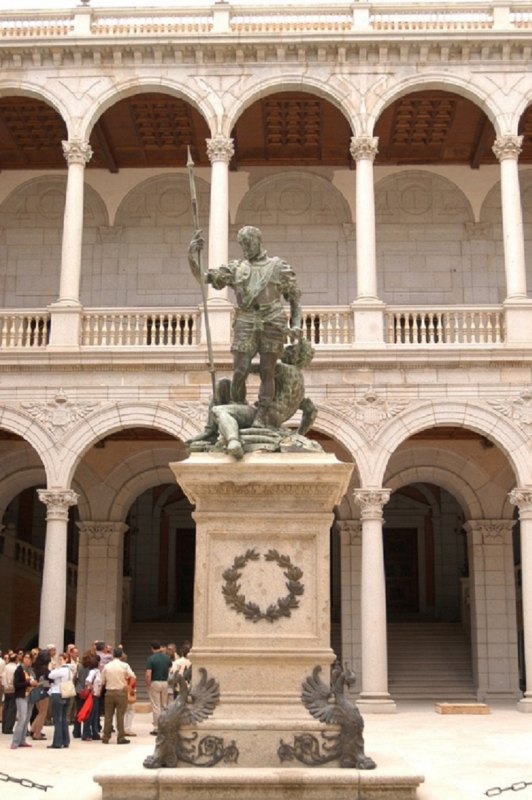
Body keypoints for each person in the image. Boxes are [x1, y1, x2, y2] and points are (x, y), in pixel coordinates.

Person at [188, 226, 303, 419]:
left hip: (272, 321)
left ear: (258, 241)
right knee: (240, 369)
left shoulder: (278, 267)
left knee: (268, 371)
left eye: (248, 243)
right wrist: (192, 257)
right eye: (243, 244)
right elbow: (204, 278)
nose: (246, 248)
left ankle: (262, 417)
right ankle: (237, 407)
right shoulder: (235, 268)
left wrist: (297, 324)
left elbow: (293, 298)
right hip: (245, 320)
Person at [100, 647, 134, 745]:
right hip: (120, 691)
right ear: (121, 655)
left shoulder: (107, 666)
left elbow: (103, 680)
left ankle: (106, 737)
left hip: (109, 692)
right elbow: (132, 676)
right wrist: (128, 686)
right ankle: (121, 737)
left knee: (108, 715)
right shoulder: (124, 665)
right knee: (120, 716)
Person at [11, 652, 38, 749]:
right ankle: (15, 741)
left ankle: (22, 740)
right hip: (22, 695)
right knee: (22, 718)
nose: (27, 660)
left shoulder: (31, 671)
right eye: (25, 658)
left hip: (30, 696)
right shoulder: (19, 670)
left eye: (29, 658)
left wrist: (34, 683)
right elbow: (16, 684)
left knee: (27, 719)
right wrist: (28, 683)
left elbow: (34, 681)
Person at [145, 640, 172, 735]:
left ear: (152, 648)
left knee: (156, 705)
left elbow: (148, 674)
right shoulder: (167, 658)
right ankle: (165, 726)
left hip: (155, 682)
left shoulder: (151, 659)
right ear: (160, 647)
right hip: (165, 682)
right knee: (164, 705)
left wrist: (148, 684)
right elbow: (170, 671)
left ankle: (156, 727)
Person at [47, 652, 72, 749]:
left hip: (58, 692)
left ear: (66, 660)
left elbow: (51, 675)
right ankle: (65, 740)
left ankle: (57, 742)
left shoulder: (62, 669)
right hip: (67, 693)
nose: (59, 661)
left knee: (57, 718)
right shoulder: (70, 670)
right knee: (64, 718)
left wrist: (56, 668)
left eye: (61, 659)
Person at [29, 649, 51, 741]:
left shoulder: (35, 667)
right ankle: (37, 733)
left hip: (36, 691)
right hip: (43, 692)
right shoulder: (44, 669)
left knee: (39, 712)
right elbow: (48, 680)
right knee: (42, 713)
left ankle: (33, 729)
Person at [1, 653, 17, 734]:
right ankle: (8, 728)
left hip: (6, 689)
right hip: (13, 689)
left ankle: (4, 727)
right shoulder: (15, 668)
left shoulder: (5, 667)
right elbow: (14, 679)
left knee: (6, 709)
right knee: (12, 709)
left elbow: (2, 677)